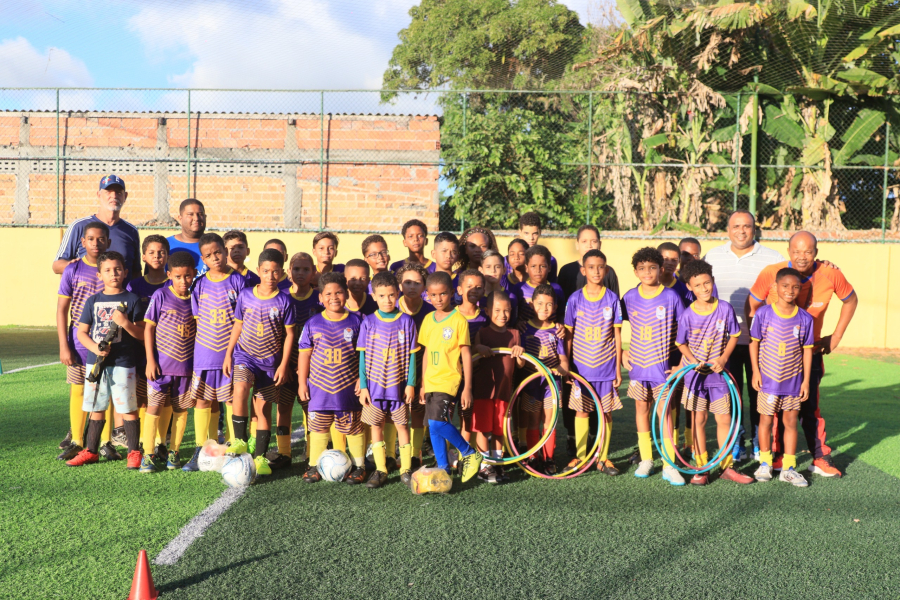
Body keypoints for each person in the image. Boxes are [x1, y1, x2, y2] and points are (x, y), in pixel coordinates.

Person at [747, 231, 857, 478]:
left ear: (816, 253)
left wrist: (836, 336)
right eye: (796, 251)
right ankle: (773, 459)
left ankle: (819, 458)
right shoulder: (772, 273)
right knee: (771, 411)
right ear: (788, 251)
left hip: (809, 353)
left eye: (808, 251)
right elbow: (752, 305)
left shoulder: (830, 273)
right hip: (773, 358)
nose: (802, 257)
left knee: (809, 407)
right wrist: (758, 340)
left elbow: (851, 300)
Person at [703, 211, 784, 461]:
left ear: (754, 229)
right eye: (736, 226)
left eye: (746, 226)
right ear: (728, 229)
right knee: (732, 394)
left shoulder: (774, 258)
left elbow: (793, 279)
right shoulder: (712, 256)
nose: (741, 231)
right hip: (724, 344)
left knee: (759, 393)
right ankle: (736, 441)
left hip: (762, 343)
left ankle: (761, 445)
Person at [675, 259, 753, 485]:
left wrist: (723, 358)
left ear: (713, 281)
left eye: (706, 283)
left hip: (719, 377)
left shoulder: (725, 308)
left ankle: (726, 465)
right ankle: (702, 466)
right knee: (698, 419)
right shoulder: (687, 314)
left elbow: (735, 335)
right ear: (689, 287)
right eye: (697, 285)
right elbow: (681, 343)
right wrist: (692, 360)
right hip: (695, 377)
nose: (703, 288)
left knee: (724, 420)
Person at [66, 251, 145, 469]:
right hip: (96, 363)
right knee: (96, 406)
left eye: (118, 269)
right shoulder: (93, 301)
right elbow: (81, 332)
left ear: (125, 272)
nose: (114, 274)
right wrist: (95, 348)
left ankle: (134, 452)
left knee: (127, 407)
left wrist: (125, 323)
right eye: (108, 270)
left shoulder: (132, 300)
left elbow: (142, 334)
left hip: (123, 362)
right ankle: (91, 451)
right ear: (99, 275)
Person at [223, 248, 297, 476]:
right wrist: (228, 353)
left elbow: (290, 335)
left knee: (263, 411)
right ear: (259, 271)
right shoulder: (245, 295)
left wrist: (283, 365)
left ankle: (261, 459)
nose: (271, 276)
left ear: (282, 273)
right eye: (266, 271)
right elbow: (238, 325)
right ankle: (240, 440)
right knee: (241, 388)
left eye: (275, 272)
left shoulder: (285, 301)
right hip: (245, 356)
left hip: (270, 364)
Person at [182, 233, 246, 471]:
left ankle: (231, 447)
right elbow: (198, 320)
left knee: (231, 400)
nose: (215, 258)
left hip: (231, 355)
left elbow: (243, 320)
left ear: (225, 250)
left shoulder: (238, 282)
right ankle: (202, 449)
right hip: (205, 354)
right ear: (203, 258)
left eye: (218, 252)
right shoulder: (199, 284)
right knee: (202, 400)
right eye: (209, 255)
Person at [621, 247, 684, 484]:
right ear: (635, 271)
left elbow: (683, 330)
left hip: (662, 368)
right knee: (641, 409)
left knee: (664, 412)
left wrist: (682, 361)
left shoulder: (671, 297)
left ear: (660, 268)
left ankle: (669, 463)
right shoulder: (629, 297)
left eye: (652, 267)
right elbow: (615, 327)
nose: (647, 272)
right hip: (638, 367)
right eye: (642, 268)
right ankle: (646, 459)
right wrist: (622, 352)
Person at [297, 272, 367, 484]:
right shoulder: (312, 323)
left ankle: (359, 466)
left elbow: (365, 355)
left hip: (347, 387)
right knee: (318, 427)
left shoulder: (358, 321)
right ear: (320, 297)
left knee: (353, 427)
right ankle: (312, 466)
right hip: (319, 387)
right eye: (328, 293)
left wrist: (361, 380)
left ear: (346, 294)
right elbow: (304, 355)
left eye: (338, 292)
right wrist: (302, 382)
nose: (334, 297)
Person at [750, 267, 814, 488]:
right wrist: (756, 371)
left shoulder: (805, 318)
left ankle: (788, 467)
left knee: (790, 423)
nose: (790, 291)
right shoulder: (763, 313)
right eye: (785, 286)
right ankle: (765, 463)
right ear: (776, 287)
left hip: (794, 383)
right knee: (765, 421)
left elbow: (807, 350)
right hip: (768, 381)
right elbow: (754, 343)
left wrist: (805, 381)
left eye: (795, 287)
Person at [418, 271, 483, 482]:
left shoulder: (458, 320)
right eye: (433, 295)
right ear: (427, 294)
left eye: (443, 294)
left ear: (452, 293)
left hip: (449, 381)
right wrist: (422, 383)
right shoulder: (428, 319)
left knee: (437, 423)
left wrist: (467, 388)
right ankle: (444, 469)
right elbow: (427, 353)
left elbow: (465, 353)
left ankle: (470, 453)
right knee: (434, 427)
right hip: (431, 382)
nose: (438, 299)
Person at [357, 271, 419, 488]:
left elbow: (412, 356)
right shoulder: (368, 322)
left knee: (402, 426)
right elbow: (363, 357)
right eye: (382, 296)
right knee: (376, 426)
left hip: (399, 387)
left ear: (398, 293)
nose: (387, 300)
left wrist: (411, 384)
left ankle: (406, 469)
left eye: (391, 295)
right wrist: (364, 386)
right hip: (374, 388)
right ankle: (381, 469)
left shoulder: (407, 321)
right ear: (373, 295)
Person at [563, 249, 623, 476]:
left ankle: (603, 458)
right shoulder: (575, 298)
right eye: (591, 267)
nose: (596, 271)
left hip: (606, 369)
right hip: (581, 370)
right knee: (582, 413)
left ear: (606, 270)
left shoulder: (612, 298)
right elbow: (568, 336)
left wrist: (618, 368)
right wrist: (567, 367)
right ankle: (580, 457)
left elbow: (617, 335)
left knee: (606, 413)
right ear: (583, 270)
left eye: (600, 267)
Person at [56, 222, 110, 461]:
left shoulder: (114, 268)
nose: (95, 243)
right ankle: (77, 440)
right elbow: (61, 310)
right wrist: (63, 345)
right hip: (79, 343)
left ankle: (106, 442)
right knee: (79, 390)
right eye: (90, 239)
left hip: (109, 344)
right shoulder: (73, 269)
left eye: (100, 239)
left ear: (108, 242)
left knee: (105, 391)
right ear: (82, 242)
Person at [141, 251, 197, 472]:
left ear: (194, 275)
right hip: (161, 367)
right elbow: (149, 329)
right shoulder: (160, 296)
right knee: (153, 408)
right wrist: (150, 360)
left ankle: (174, 452)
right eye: (178, 277)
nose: (183, 281)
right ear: (169, 275)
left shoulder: (196, 299)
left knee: (181, 410)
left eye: (188, 276)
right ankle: (149, 454)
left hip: (185, 368)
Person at [471, 291, 522, 483]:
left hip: (503, 391)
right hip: (484, 390)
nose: (503, 315)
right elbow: (473, 362)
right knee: (483, 428)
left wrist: (519, 352)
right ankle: (485, 466)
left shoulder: (514, 334)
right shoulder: (482, 333)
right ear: (487, 311)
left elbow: (520, 365)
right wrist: (478, 348)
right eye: (498, 310)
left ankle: (498, 463)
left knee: (499, 428)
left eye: (507, 311)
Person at [520, 284, 569, 475]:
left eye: (549, 305)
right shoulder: (523, 330)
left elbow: (564, 361)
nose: (544, 308)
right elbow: (521, 362)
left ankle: (549, 458)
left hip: (552, 385)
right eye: (540, 304)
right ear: (532, 304)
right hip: (531, 384)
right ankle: (533, 456)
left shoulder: (557, 332)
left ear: (555, 307)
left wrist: (560, 369)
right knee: (533, 421)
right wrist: (537, 368)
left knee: (550, 421)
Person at [53, 174, 141, 281]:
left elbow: (136, 272)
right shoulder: (79, 226)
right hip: (87, 296)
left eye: (118, 192)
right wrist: (79, 266)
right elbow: (57, 266)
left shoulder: (131, 231)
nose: (114, 196)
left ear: (125, 196)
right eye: (108, 192)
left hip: (121, 297)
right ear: (99, 195)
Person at [279, 252, 323, 463]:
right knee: (284, 406)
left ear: (313, 272)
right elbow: (277, 334)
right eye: (296, 269)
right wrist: (284, 365)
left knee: (310, 408)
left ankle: (310, 451)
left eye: (306, 269)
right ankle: (283, 452)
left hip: (313, 367)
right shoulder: (281, 297)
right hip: (286, 365)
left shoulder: (319, 299)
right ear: (289, 272)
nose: (301, 273)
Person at [127, 235, 170, 450]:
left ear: (168, 256)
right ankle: (146, 440)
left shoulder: (174, 283)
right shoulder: (134, 285)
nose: (157, 256)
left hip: (167, 350)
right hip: (139, 349)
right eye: (151, 252)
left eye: (161, 252)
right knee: (143, 396)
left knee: (165, 397)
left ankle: (162, 442)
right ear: (143, 256)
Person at [396, 262, 435, 466]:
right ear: (399, 284)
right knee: (394, 412)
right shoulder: (390, 307)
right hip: (392, 371)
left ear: (425, 287)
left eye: (417, 283)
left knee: (417, 412)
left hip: (421, 370)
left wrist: (423, 377)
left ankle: (416, 453)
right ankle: (392, 452)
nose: (412, 286)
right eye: (407, 282)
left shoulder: (430, 312)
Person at [558, 225, 620, 299]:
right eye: (584, 241)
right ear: (577, 245)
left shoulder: (608, 272)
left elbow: (615, 301)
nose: (589, 245)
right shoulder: (566, 271)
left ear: (600, 245)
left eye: (594, 241)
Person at [511, 245, 566, 325]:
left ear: (549, 268)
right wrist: (517, 323)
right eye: (533, 266)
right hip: (526, 334)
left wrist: (560, 324)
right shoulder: (520, 288)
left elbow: (561, 313)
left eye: (542, 266)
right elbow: (513, 312)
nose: (538, 270)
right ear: (526, 268)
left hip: (550, 334)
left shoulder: (557, 289)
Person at [506, 212, 558, 282]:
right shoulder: (507, 261)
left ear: (540, 232)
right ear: (520, 232)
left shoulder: (550, 260)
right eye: (526, 233)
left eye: (535, 234)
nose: (531, 238)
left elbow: (551, 286)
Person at [166, 199, 208, 275]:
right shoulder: (165, 245)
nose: (196, 218)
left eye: (200, 214)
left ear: (205, 217)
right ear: (180, 218)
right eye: (190, 214)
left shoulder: (216, 245)